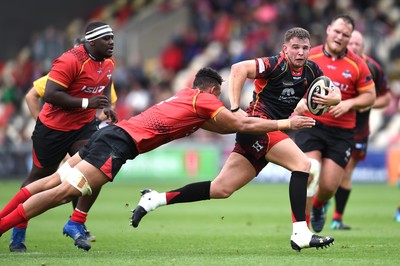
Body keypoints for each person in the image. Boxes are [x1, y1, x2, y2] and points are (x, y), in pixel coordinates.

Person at [0, 67, 318, 251]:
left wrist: (246, 126)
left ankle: (8, 218)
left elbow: (223, 127)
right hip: (118, 144)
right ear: (211, 89)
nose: (219, 100)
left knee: (55, 180)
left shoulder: (186, 97)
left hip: (112, 135)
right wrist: (287, 123)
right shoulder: (204, 99)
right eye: (218, 94)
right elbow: (238, 123)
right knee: (64, 192)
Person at [131, 27, 340, 252]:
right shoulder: (274, 64)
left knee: (221, 188)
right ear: (285, 49)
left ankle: (155, 199)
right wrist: (234, 107)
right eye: (295, 48)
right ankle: (300, 233)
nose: (300, 52)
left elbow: (335, 92)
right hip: (257, 126)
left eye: (305, 48)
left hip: (260, 132)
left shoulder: (311, 69)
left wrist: (330, 99)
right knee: (303, 165)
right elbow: (238, 68)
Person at [6, 21, 117, 252]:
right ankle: (18, 230)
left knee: (95, 168)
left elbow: (107, 81)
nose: (112, 42)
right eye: (106, 39)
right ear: (92, 41)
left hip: (83, 127)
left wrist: (105, 106)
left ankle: (77, 221)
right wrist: (88, 102)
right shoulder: (69, 61)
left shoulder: (108, 62)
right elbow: (50, 94)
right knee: (38, 178)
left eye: (112, 38)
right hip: (53, 130)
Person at [293, 15, 376, 233]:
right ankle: (304, 230)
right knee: (311, 172)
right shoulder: (310, 56)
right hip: (311, 125)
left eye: (345, 35)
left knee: (328, 187)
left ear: (350, 39)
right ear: (329, 30)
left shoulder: (357, 65)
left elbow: (370, 96)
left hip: (342, 132)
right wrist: (299, 102)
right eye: (337, 31)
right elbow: (292, 84)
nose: (340, 37)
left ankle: (320, 205)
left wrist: (348, 105)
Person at [328, 30, 391, 230]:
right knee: (328, 172)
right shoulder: (334, 62)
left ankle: (337, 218)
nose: (354, 46)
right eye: (351, 42)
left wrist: (367, 103)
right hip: (330, 126)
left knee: (345, 173)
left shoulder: (371, 67)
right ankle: (324, 196)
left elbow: (386, 98)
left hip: (358, 130)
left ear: (363, 47)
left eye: (358, 43)